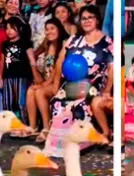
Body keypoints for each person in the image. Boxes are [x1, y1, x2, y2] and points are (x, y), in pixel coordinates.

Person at [45, 5, 112, 156]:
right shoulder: (74, 39)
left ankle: (81, 139)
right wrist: (56, 83)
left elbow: (112, 69)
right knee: (58, 101)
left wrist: (107, 89)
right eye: (83, 18)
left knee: (80, 104)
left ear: (97, 20)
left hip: (93, 82)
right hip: (71, 82)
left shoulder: (107, 42)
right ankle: (60, 143)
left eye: (90, 18)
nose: (87, 21)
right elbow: (61, 60)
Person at [27, 18, 68, 142]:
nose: (49, 32)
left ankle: (47, 128)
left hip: (61, 83)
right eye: (47, 29)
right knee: (30, 90)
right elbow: (47, 70)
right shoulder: (49, 45)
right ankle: (32, 127)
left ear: (59, 29)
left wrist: (44, 85)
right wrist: (33, 64)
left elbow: (57, 71)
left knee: (39, 91)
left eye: (52, 28)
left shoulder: (64, 45)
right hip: (49, 80)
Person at [0, 16, 38, 127]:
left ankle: (24, 126)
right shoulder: (4, 44)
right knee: (7, 103)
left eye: (12, 28)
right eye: (7, 28)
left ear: (19, 29)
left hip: (22, 76)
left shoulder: (26, 43)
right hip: (7, 77)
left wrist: (34, 77)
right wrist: (0, 78)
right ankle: (9, 126)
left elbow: (32, 61)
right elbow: (2, 62)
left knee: (21, 102)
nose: (9, 31)